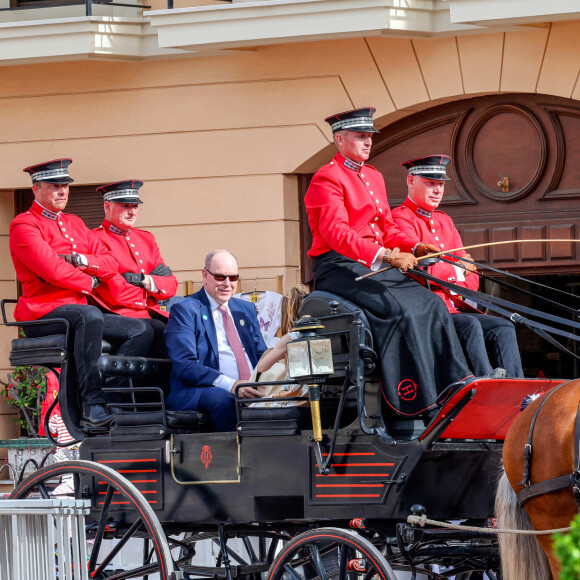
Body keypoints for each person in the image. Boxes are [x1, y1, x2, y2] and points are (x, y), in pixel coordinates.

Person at [304, 108, 474, 420]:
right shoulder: (326, 178)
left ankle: (454, 385)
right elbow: (336, 234)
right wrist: (385, 255)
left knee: (431, 304)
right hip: (339, 266)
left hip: (373, 262)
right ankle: (415, 399)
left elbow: (387, 228)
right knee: (402, 310)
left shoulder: (373, 176)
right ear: (339, 139)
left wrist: (414, 245)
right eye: (361, 136)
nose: (368, 141)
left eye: (370, 136)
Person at [9, 159, 157, 427]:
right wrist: (90, 283)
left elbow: (109, 263)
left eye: (65, 185)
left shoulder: (75, 223)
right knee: (89, 314)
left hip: (80, 311)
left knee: (141, 329)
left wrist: (78, 260)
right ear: (35, 189)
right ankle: (92, 406)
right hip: (42, 314)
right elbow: (51, 270)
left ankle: (115, 398)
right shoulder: (24, 225)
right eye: (54, 186)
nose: (62, 191)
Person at [392, 155, 524, 378]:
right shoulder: (400, 218)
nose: (437, 190)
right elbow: (424, 272)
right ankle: (485, 383)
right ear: (410, 180)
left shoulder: (445, 221)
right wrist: (457, 270)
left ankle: (517, 389)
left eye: (441, 185)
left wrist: (457, 270)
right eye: (430, 183)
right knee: (470, 324)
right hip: (428, 313)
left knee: (504, 327)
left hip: (455, 309)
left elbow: (472, 279)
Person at [164, 249, 267, 431]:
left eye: (233, 278)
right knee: (223, 399)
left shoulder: (245, 309)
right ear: (205, 275)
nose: (227, 284)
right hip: (199, 389)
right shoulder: (186, 310)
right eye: (220, 277)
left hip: (249, 387)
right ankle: (232, 456)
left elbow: (261, 354)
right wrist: (231, 385)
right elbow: (186, 365)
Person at [92, 179, 179, 357]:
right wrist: (152, 284)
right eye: (125, 206)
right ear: (107, 206)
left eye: (135, 206)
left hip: (148, 313)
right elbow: (114, 291)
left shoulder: (147, 239)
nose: (132, 212)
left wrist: (141, 280)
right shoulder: (95, 239)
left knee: (176, 332)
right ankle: (119, 384)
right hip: (115, 313)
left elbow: (171, 285)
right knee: (150, 330)